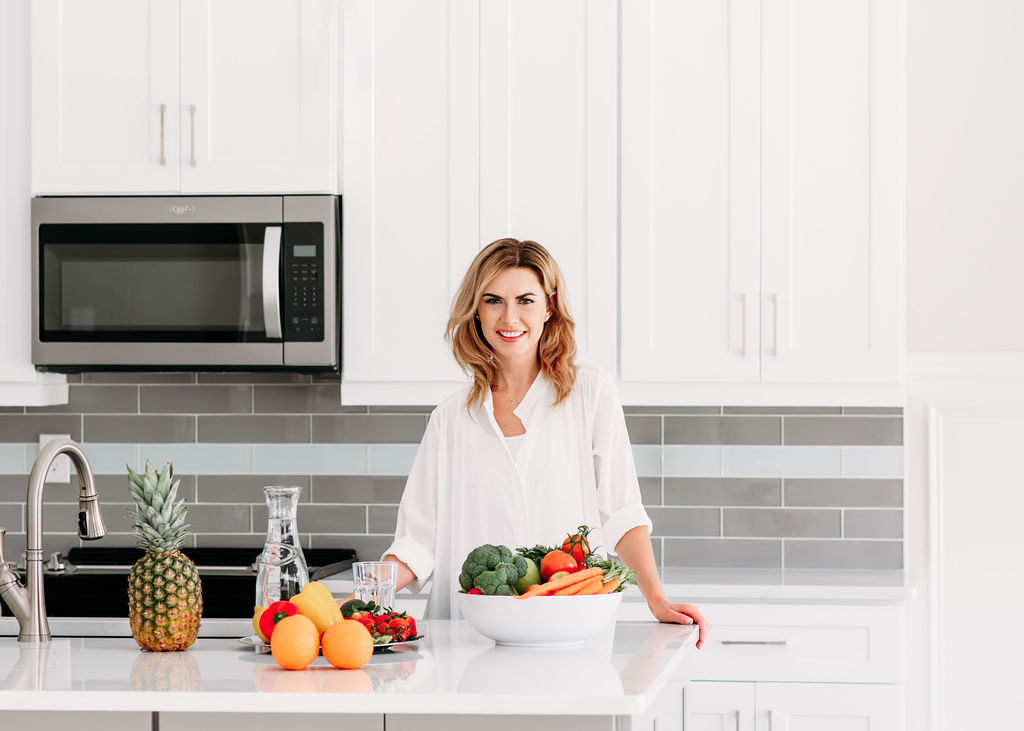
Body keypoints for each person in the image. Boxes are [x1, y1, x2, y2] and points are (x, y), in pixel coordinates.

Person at [380, 238, 708, 648]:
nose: (509, 316)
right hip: (467, 642)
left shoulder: (589, 392)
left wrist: (656, 599)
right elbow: (417, 542)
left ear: (549, 307)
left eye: (526, 300)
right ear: (476, 311)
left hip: (568, 636)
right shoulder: (450, 419)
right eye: (493, 300)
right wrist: (364, 597)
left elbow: (621, 512)